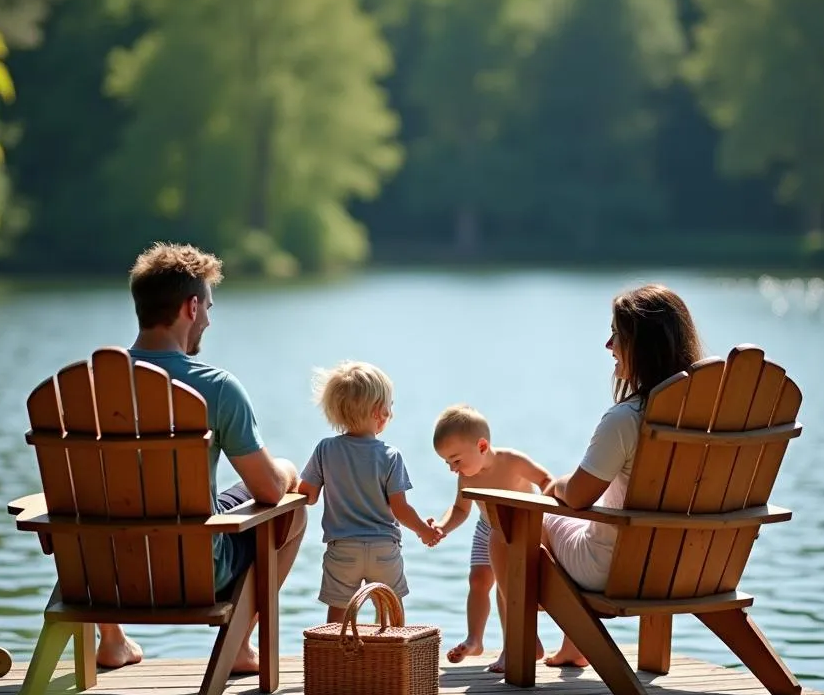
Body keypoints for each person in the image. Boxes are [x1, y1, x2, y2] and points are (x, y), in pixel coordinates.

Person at [97, 242, 306, 673]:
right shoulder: (217, 388)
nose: (209, 319)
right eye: (208, 307)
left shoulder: (91, 389)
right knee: (292, 509)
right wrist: (285, 471)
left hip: (102, 572)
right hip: (195, 573)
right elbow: (268, 490)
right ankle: (240, 647)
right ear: (191, 307)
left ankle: (112, 639)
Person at [488, 283, 705, 672]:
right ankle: (574, 647)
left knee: (507, 526)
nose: (608, 345)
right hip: (687, 567)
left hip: (614, 568)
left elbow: (578, 497)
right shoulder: (708, 422)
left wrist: (554, 486)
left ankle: (526, 642)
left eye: (617, 335)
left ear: (643, 345)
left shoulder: (626, 419)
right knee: (565, 521)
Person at [297, 360, 442, 623]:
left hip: (342, 548)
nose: (391, 413)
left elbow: (308, 494)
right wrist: (424, 531)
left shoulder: (325, 449)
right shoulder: (390, 455)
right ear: (378, 413)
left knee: (338, 613)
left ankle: (334, 657)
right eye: (389, 407)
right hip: (383, 549)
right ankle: (393, 657)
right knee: (390, 611)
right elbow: (400, 508)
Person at [431, 404, 552, 666]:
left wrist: (550, 517)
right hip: (488, 527)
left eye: (456, 459)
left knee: (505, 587)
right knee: (478, 579)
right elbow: (460, 510)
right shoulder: (466, 477)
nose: (453, 468)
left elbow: (546, 481)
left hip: (523, 529)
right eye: (447, 462)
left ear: (482, 446)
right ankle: (474, 640)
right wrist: (442, 527)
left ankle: (515, 646)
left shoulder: (513, 461)